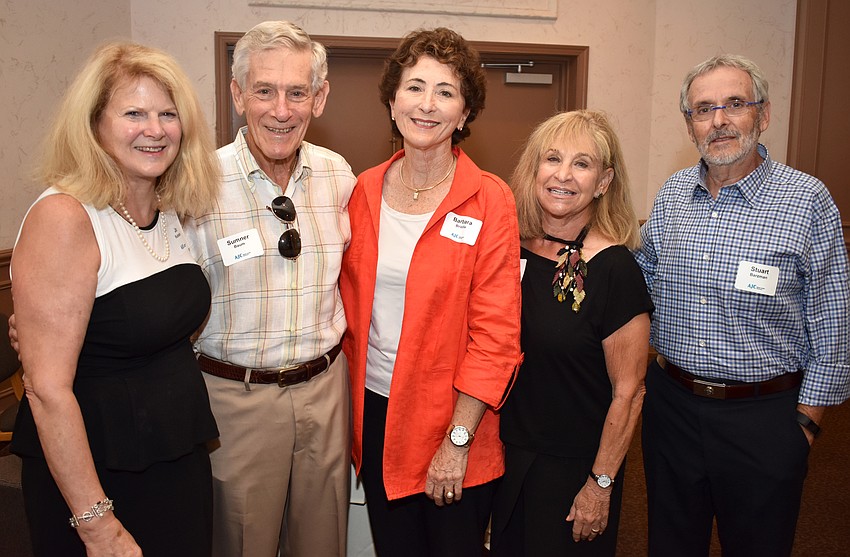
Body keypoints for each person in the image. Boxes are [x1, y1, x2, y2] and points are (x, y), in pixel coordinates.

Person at [10, 42, 221, 556]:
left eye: (167, 114)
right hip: (98, 474)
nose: (155, 129)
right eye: (134, 113)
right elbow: (47, 390)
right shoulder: (65, 216)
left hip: (175, 454)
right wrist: (97, 525)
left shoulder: (167, 206)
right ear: (94, 125)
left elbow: (150, 321)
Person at [635, 54, 850, 556]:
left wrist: (805, 425)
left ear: (764, 114)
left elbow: (834, 321)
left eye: (735, 104)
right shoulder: (671, 198)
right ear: (690, 124)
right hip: (673, 409)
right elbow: (641, 286)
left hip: (766, 419)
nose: (720, 120)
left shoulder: (807, 200)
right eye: (704, 109)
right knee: (670, 544)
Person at [338, 27, 522, 556]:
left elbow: (498, 337)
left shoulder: (489, 200)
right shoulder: (362, 191)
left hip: (457, 423)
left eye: (446, 92)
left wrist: (457, 441)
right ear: (392, 101)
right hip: (377, 415)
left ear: (464, 114)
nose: (427, 104)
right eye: (415, 87)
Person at [184, 21, 355, 557]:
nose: (281, 110)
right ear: (238, 95)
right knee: (239, 543)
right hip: (235, 401)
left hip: (326, 394)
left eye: (297, 92)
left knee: (322, 542)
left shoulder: (338, 177)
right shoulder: (196, 184)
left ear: (319, 98)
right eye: (264, 90)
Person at [489, 110, 653, 557]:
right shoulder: (507, 248)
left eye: (581, 164)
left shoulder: (615, 269)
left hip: (573, 470)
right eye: (553, 159)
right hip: (504, 455)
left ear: (603, 181)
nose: (563, 175)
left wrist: (599, 487)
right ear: (533, 170)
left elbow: (629, 392)